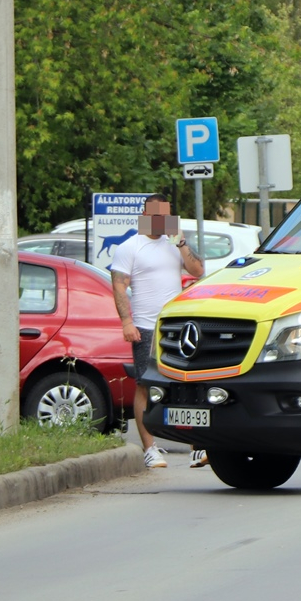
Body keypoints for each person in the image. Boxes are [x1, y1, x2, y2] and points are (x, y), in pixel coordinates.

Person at [110, 195, 205, 469]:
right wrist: (127, 322)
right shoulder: (131, 247)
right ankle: (150, 448)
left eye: (166, 215)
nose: (161, 220)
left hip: (175, 328)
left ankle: (196, 447)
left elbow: (198, 271)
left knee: (185, 384)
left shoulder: (174, 245)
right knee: (145, 384)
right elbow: (119, 286)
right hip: (145, 326)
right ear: (145, 215)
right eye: (156, 215)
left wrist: (181, 242)